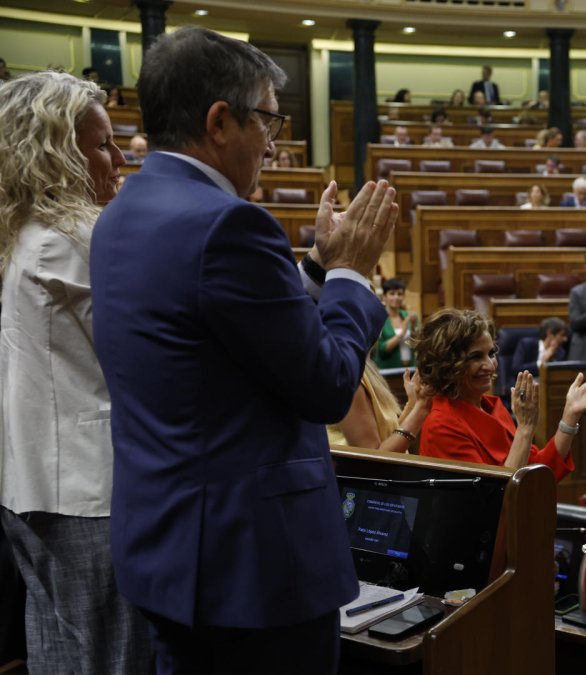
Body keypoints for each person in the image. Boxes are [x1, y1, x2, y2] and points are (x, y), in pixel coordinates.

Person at [89, 27, 400, 671]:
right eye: (267, 121)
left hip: (167, 553)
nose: (272, 144)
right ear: (220, 120)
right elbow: (325, 385)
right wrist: (351, 275)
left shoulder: (123, 212)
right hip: (251, 572)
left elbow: (226, 330)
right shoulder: (228, 223)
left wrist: (315, 265)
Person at [0, 69, 153, 675]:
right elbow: (156, 353)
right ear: (56, 152)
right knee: (117, 660)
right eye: (101, 144)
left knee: (61, 660)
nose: (118, 159)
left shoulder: (23, 234)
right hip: (89, 494)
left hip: (30, 487)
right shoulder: (75, 237)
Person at [414, 309, 586, 482]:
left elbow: (538, 471)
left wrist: (569, 417)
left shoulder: (491, 407)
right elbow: (498, 497)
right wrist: (526, 427)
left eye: (491, 353)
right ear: (448, 365)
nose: (490, 365)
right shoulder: (442, 424)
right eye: (476, 357)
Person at [327, 364, 431, 454]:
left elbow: (389, 436)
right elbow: (373, 459)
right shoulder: (349, 376)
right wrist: (421, 408)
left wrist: (413, 403)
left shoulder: (366, 367)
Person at [375, 276, 419, 368]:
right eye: (392, 293)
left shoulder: (409, 316)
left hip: (410, 369)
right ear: (384, 296)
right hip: (388, 371)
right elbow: (381, 350)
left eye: (400, 294)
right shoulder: (379, 318)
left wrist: (413, 328)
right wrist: (400, 335)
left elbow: (415, 345)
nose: (396, 297)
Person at [512, 317, 568, 383]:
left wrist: (552, 359)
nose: (565, 339)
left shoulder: (560, 353)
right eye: (562, 335)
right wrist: (542, 362)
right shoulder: (526, 345)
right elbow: (516, 369)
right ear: (550, 334)